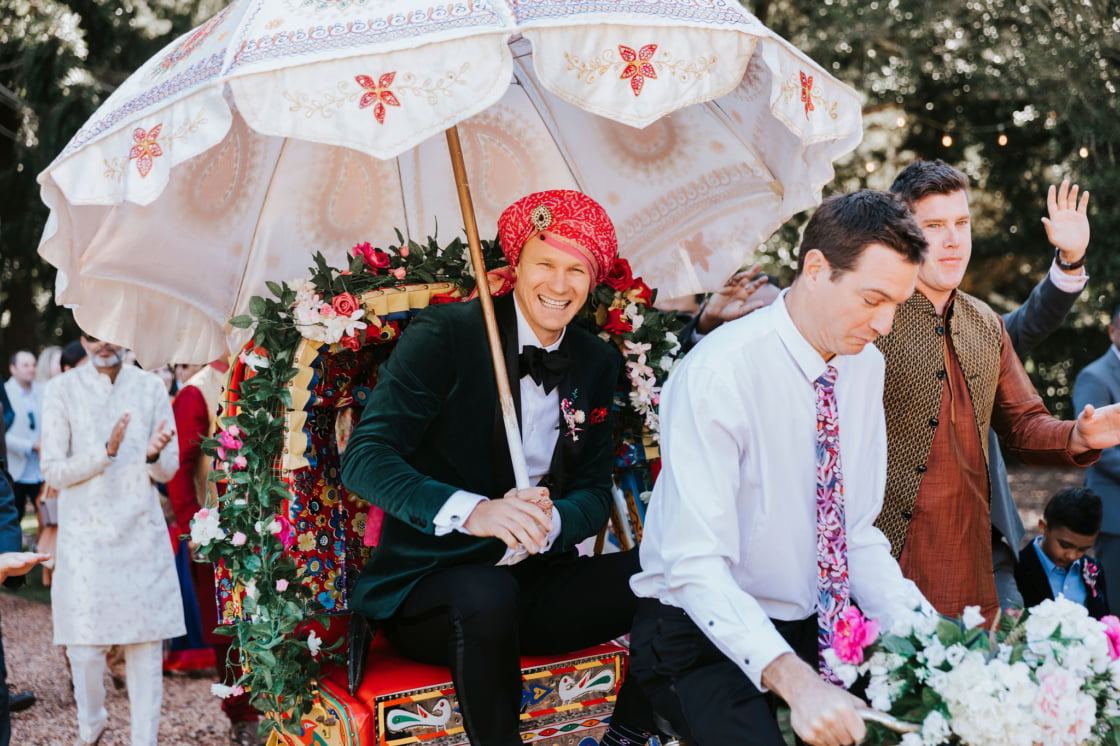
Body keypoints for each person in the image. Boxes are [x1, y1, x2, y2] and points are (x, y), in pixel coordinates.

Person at [340, 190, 653, 746]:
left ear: (594, 280)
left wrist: (549, 523)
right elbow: (365, 459)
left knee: (669, 573)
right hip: (432, 588)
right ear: (517, 267)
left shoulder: (596, 360)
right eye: (546, 264)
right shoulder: (447, 335)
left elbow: (591, 490)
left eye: (577, 270)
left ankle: (629, 733)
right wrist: (476, 513)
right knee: (486, 593)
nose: (559, 285)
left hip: (538, 585)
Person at [630, 191, 932, 746]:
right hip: (699, 635)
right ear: (815, 269)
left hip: (816, 626)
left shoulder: (866, 365)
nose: (886, 324)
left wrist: (934, 644)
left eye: (898, 304)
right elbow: (696, 566)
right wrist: (799, 684)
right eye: (873, 299)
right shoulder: (718, 372)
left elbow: (855, 535)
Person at [874, 160, 1113, 623]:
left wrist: (1078, 436)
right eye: (934, 226)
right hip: (887, 557)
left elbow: (1022, 424)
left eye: (962, 223)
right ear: (902, 234)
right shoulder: (872, 319)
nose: (953, 239)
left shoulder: (984, 323)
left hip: (978, 556)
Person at [41, 333, 183, 746]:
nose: (103, 344)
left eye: (111, 336)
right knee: (84, 649)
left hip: (140, 533)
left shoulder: (150, 387)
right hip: (85, 540)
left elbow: (169, 469)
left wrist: (152, 456)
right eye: (93, 337)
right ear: (82, 341)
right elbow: (53, 471)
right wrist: (105, 452)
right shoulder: (62, 389)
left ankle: (145, 740)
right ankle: (92, 723)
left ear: (125, 338)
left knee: (145, 646)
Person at [1072, 307, 1120, 614]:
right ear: (1113, 331)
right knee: (1114, 601)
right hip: (1115, 512)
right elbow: (1095, 445)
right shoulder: (1095, 376)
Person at [1015, 487, 1109, 618]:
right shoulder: (1017, 568)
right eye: (1065, 545)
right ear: (1043, 527)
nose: (1072, 556)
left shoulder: (1093, 569)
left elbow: (1102, 620)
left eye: (1082, 549)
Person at [5, 351, 43, 520]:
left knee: (48, 520)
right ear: (13, 369)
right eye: (25, 365)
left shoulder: (44, 390)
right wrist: (30, 446)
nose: (31, 369)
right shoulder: (5, 393)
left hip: (41, 470)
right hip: (15, 471)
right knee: (13, 520)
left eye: (33, 365)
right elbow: (2, 435)